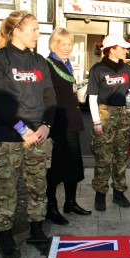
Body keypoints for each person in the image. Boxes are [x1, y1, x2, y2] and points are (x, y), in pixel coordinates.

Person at [0, 10, 56, 258]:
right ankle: (4, 234)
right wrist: (22, 128)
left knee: (38, 187)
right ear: (16, 31)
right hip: (9, 137)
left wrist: (46, 124)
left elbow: (49, 97)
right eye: (34, 30)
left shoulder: (39, 62)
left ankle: (36, 229)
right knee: (6, 189)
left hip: (38, 136)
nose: (38, 34)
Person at [45, 28, 91, 226]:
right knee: (55, 169)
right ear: (54, 44)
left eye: (70, 44)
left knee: (73, 166)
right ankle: (51, 208)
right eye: (63, 44)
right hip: (56, 124)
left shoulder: (66, 64)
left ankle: (70, 203)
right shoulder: (48, 64)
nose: (67, 48)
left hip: (71, 122)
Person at [87, 34, 130, 211]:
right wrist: (96, 122)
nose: (125, 50)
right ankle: (100, 194)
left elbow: (129, 93)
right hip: (105, 114)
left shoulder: (127, 69)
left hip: (123, 115)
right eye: (122, 48)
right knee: (103, 157)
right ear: (112, 49)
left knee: (121, 156)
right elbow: (92, 98)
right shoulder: (98, 69)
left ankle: (119, 193)